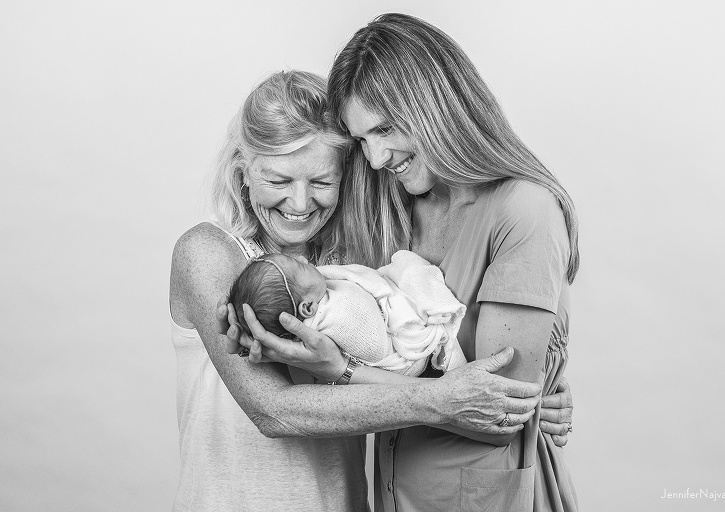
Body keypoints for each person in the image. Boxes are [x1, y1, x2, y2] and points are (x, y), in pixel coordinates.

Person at [171, 69, 572, 512]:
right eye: (279, 181)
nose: (301, 204)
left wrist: (536, 388)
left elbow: (412, 351)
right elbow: (273, 410)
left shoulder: (351, 266)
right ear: (242, 172)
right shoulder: (208, 253)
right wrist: (449, 401)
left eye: (321, 182)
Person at [229, 250, 467, 377]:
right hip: (404, 362)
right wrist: (390, 302)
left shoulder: (316, 295)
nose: (303, 258)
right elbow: (374, 346)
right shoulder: (339, 314)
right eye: (301, 266)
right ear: (308, 308)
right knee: (409, 267)